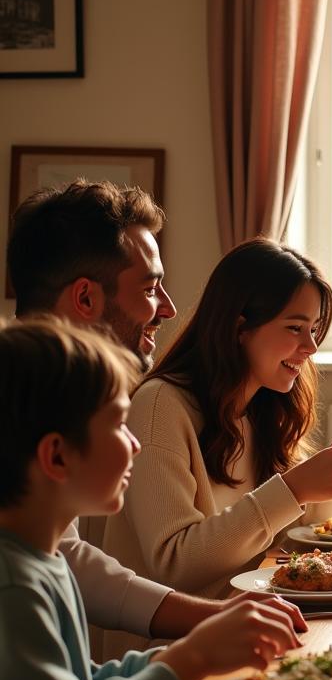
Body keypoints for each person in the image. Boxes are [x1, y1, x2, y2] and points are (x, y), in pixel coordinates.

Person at [0, 318, 332, 680]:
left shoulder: (43, 561)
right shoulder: (13, 585)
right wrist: (189, 661)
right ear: (56, 457)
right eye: (118, 425)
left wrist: (188, 659)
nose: (134, 443)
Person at [6, 180, 305, 643]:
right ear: (86, 298)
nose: (168, 308)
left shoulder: (51, 395)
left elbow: (71, 559)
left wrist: (213, 618)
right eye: (150, 289)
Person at [103, 238, 332, 652]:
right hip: (173, 653)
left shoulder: (261, 407)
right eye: (294, 328)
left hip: (249, 624)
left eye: (315, 329)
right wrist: (295, 488)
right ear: (239, 327)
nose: (311, 347)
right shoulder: (160, 405)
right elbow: (175, 564)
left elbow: (306, 518)